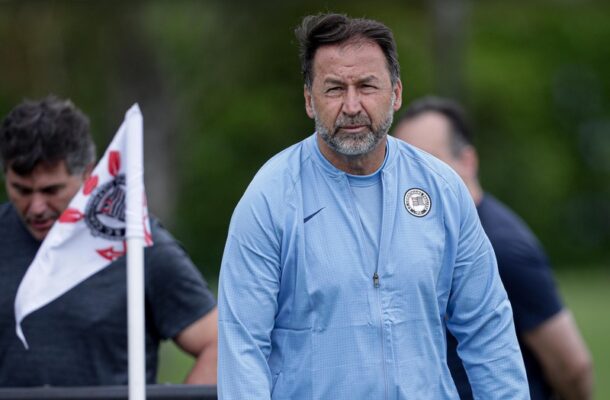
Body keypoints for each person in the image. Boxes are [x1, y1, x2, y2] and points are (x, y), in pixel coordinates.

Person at [218, 13, 529, 399]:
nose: (352, 105)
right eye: (334, 89)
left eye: (367, 85)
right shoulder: (269, 198)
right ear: (309, 99)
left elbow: (487, 329)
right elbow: (243, 349)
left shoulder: (443, 188)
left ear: (396, 93)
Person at [0, 95, 218, 386]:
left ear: (89, 174)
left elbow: (218, 345)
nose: (36, 206)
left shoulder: (140, 245)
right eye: (22, 190)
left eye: (51, 190)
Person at [393, 96, 594, 400]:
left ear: (468, 161)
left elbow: (573, 366)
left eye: (431, 161)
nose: (417, 178)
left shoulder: (502, 247)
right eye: (407, 164)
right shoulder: (424, 236)